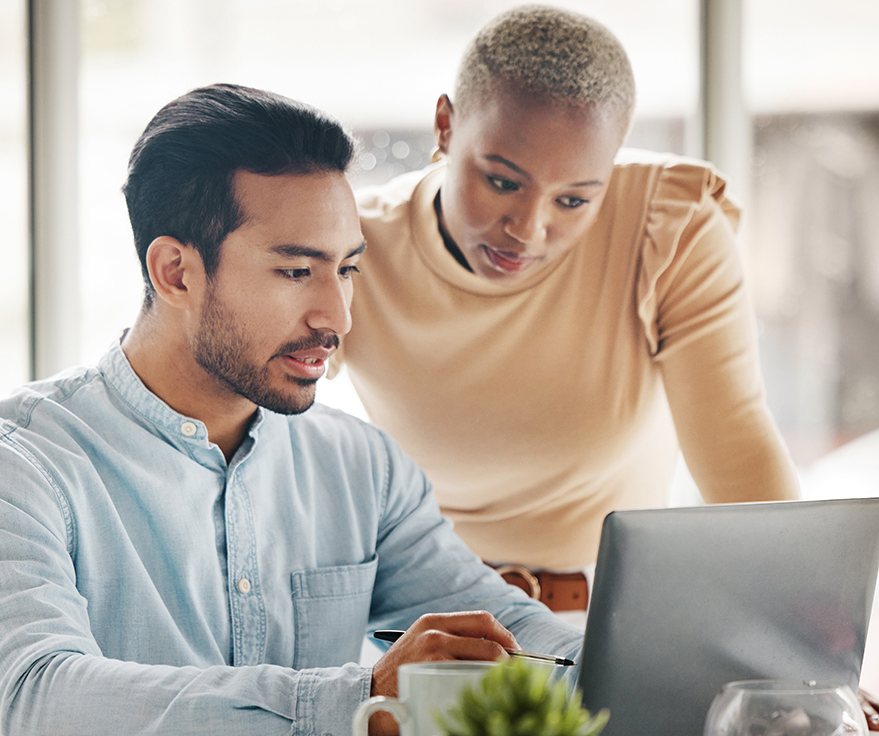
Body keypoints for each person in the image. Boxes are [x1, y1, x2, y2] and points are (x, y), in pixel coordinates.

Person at [0, 84, 582, 736]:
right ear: (175, 272)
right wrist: (366, 700)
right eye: (296, 270)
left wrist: (636, 674)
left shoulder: (361, 466)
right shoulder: (12, 467)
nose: (337, 317)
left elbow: (504, 630)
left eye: (347, 270)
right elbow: (38, 709)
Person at [332, 5, 800, 610]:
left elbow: (740, 459)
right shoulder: (354, 245)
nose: (528, 230)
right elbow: (255, 432)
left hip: (609, 619)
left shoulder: (668, 227)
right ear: (445, 127)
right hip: (421, 619)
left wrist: (803, 652)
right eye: (502, 182)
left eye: (575, 201)